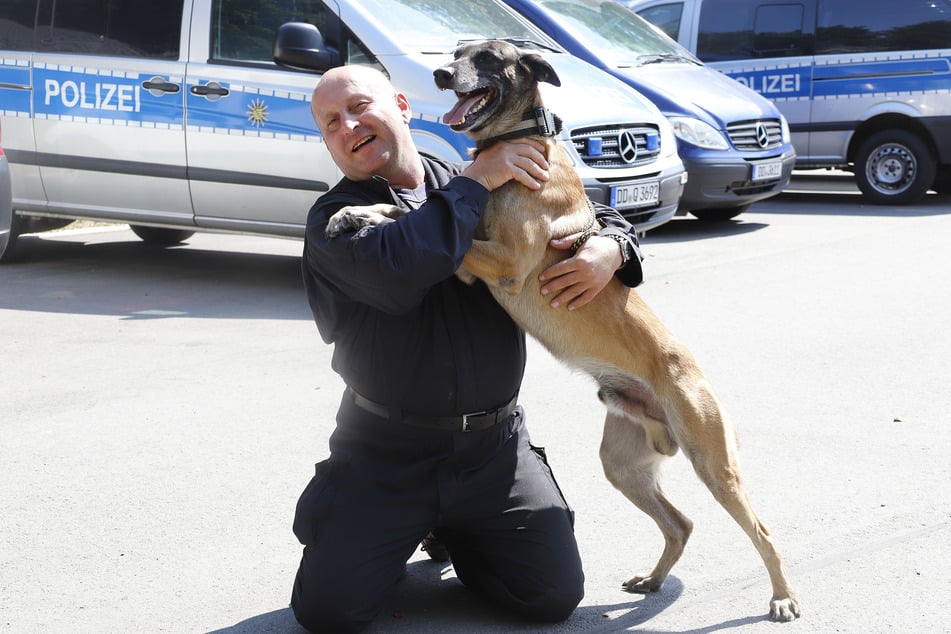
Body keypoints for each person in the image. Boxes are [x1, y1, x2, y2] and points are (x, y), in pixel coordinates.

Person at [291, 64, 645, 633]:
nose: (349, 124)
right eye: (331, 122)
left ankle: (457, 528)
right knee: (329, 613)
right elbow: (403, 266)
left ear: (401, 106)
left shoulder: (479, 177)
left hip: (493, 452)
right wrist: (477, 181)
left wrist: (613, 247)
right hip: (387, 455)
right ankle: (371, 519)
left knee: (550, 597)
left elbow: (580, 205)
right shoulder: (334, 220)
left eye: (360, 106)